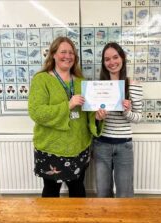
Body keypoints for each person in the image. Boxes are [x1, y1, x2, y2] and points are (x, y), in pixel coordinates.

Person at [28, 37, 105, 197]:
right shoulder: (41, 80)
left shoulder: (81, 82)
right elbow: (36, 112)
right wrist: (68, 105)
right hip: (51, 149)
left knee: (78, 190)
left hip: (79, 148)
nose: (67, 56)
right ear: (53, 55)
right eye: (63, 52)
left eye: (71, 53)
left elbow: (88, 114)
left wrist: (97, 117)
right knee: (51, 192)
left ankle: (77, 221)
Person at [93, 42, 143, 198]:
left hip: (124, 145)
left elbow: (138, 118)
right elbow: (90, 120)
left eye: (115, 57)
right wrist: (97, 117)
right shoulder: (98, 87)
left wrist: (127, 111)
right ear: (103, 63)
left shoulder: (133, 85)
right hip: (101, 144)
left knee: (125, 193)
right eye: (107, 59)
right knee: (102, 193)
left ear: (122, 58)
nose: (112, 62)